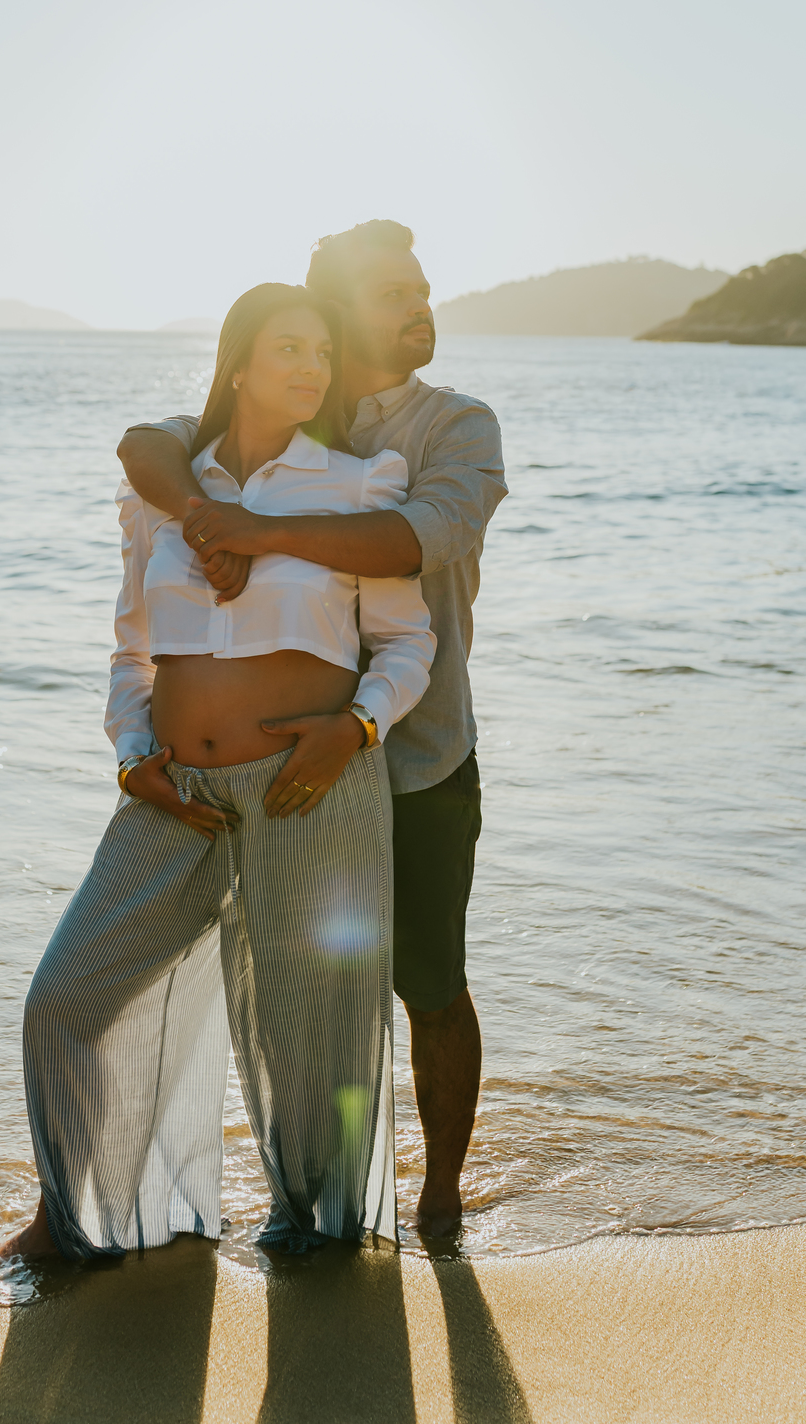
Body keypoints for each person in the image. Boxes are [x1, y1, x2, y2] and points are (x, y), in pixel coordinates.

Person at [3, 282, 435, 1261]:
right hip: (178, 795)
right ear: (238, 360)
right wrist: (129, 757)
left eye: (322, 354)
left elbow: (410, 643)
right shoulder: (167, 491)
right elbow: (131, 652)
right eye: (289, 347)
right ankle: (79, 1219)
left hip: (310, 784)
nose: (311, 368)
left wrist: (356, 730)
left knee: (303, 1040)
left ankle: (318, 1240)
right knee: (65, 997)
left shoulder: (361, 483)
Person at [120, 220, 507, 1235]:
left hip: (417, 758)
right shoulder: (284, 411)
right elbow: (153, 445)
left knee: (428, 984)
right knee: (306, 999)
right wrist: (206, 515)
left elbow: (417, 538)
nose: (419, 305)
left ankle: (436, 1196)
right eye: (392, 292)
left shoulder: (454, 425)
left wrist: (252, 530)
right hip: (271, 767)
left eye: (422, 287)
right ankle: (315, 1201)